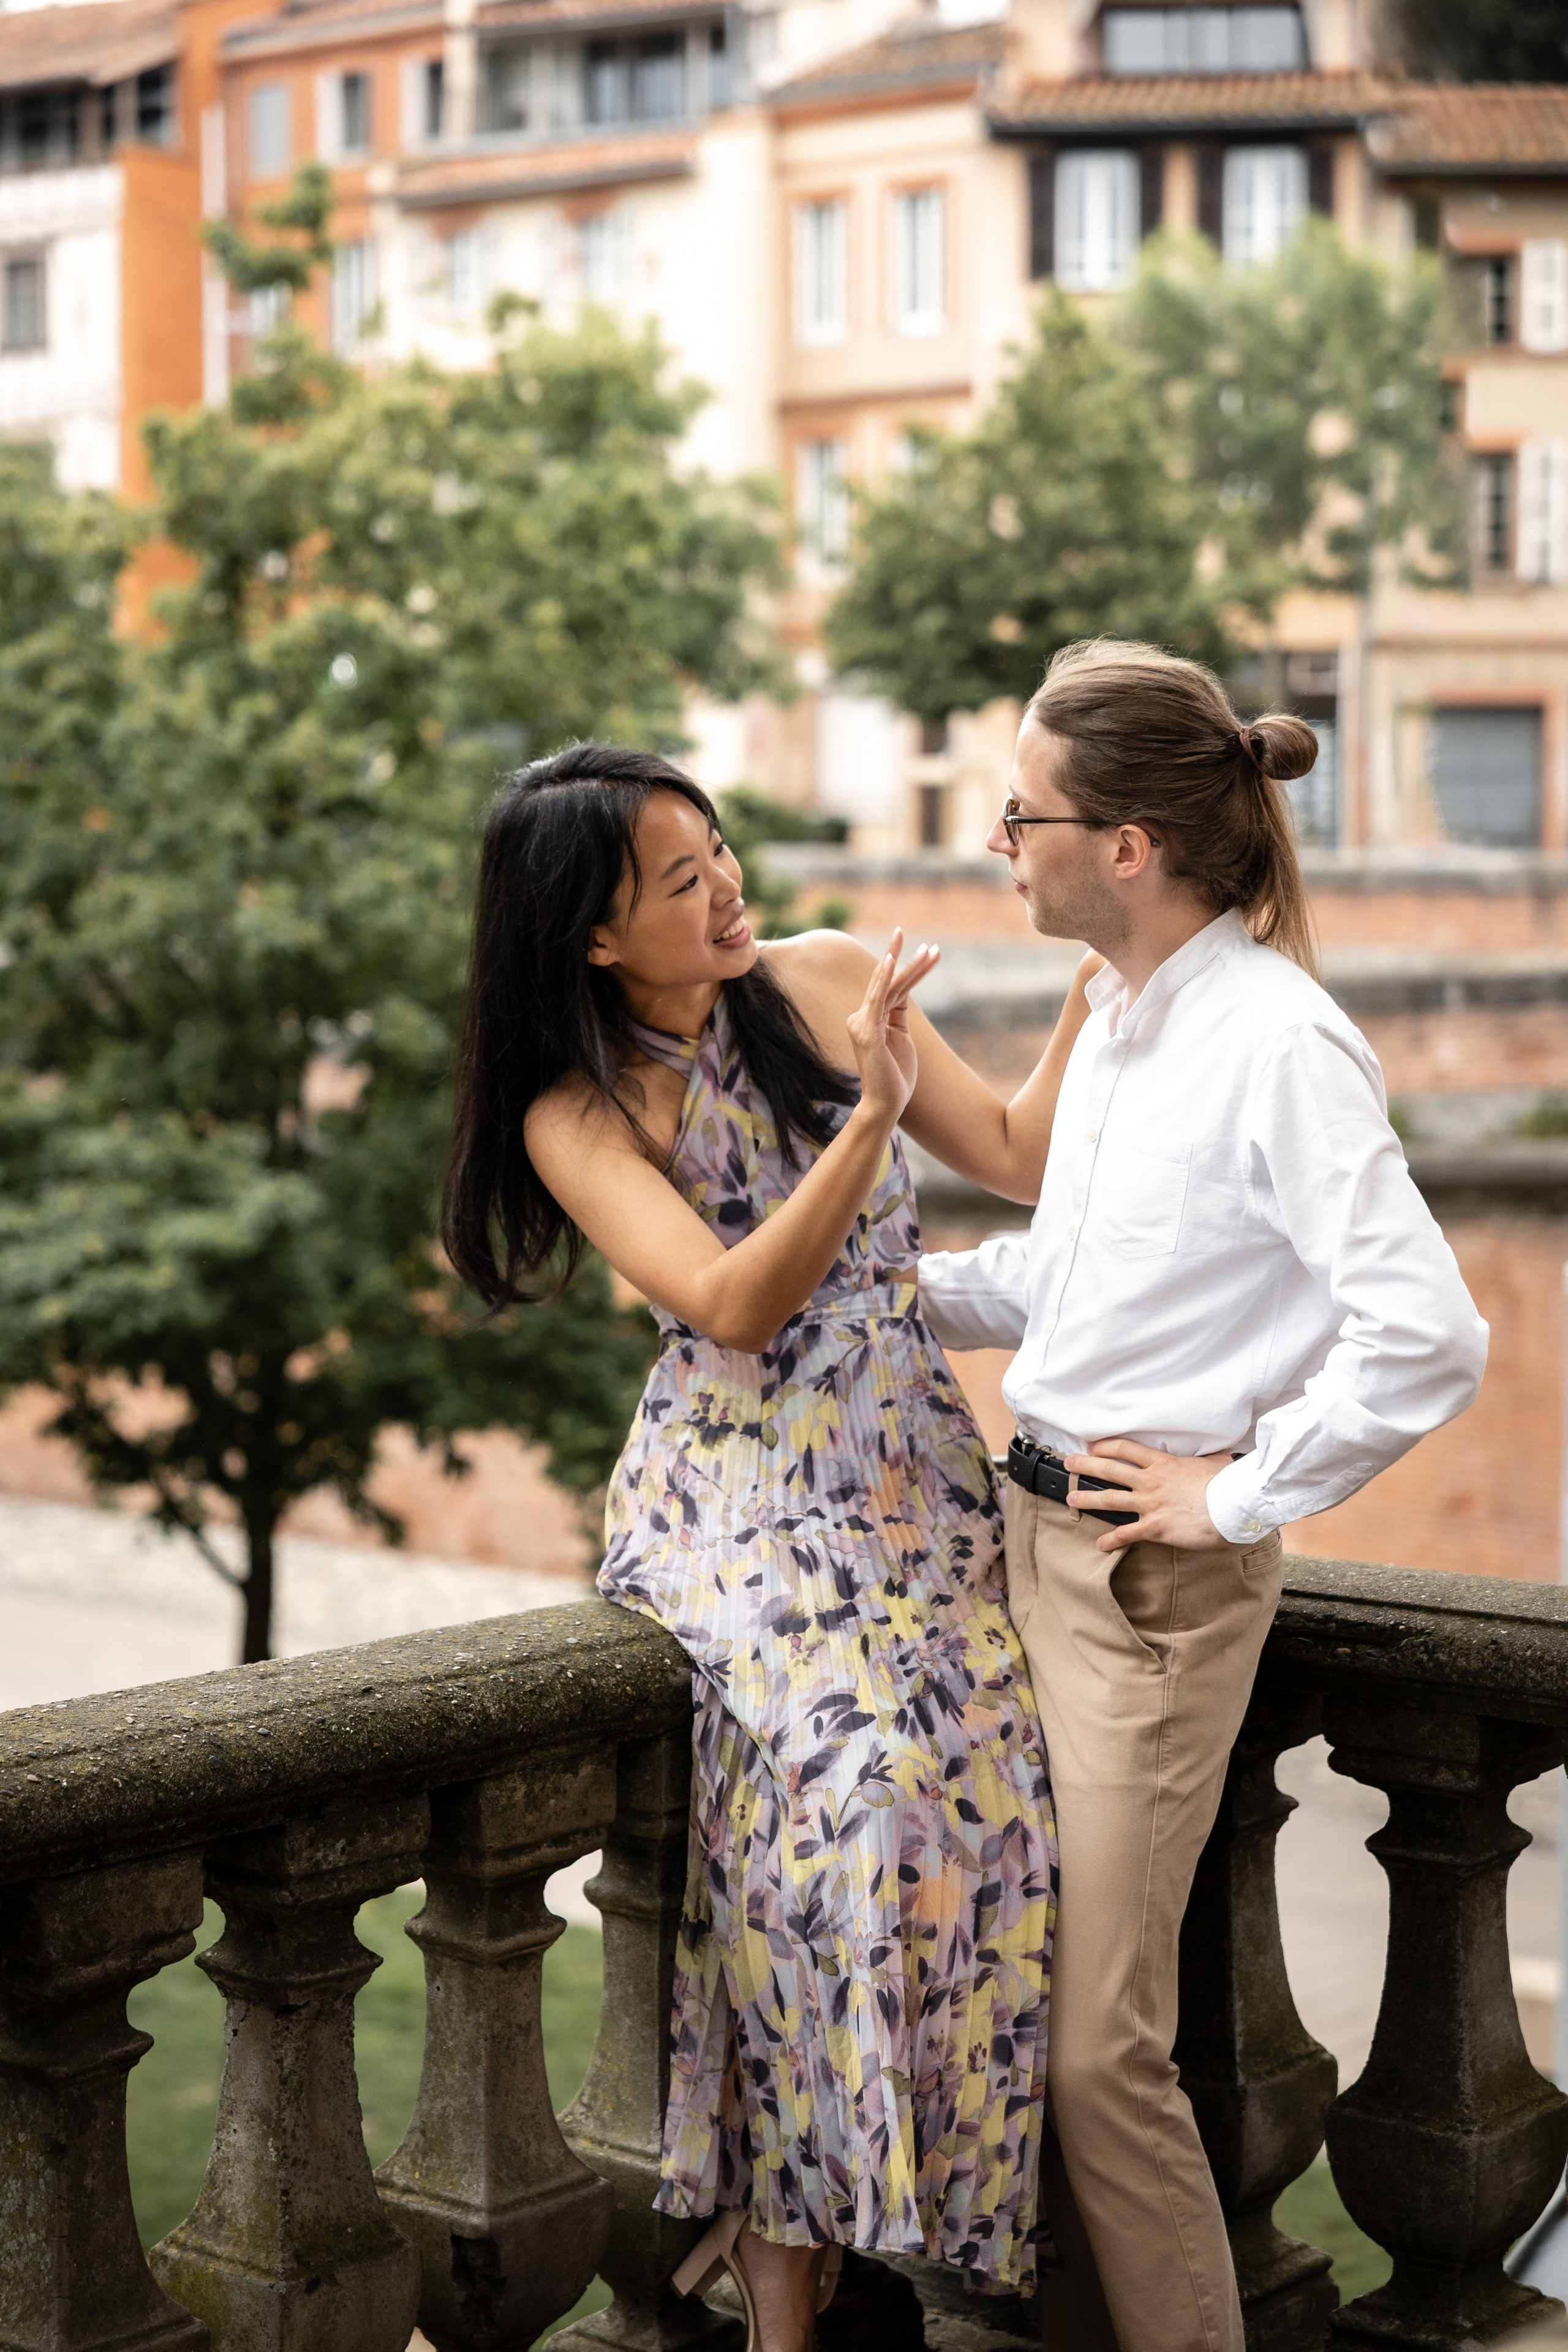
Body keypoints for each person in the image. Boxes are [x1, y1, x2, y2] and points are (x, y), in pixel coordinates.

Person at [442, 742, 1100, 2352]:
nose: (728, 886)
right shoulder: (573, 1114)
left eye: (719, 849)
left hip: (914, 1469)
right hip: (739, 1499)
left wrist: (1114, 975)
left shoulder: (816, 979)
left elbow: (1014, 1152)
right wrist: (870, 1122)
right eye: (681, 881)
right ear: (595, 937)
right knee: (835, 1818)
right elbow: (732, 1308)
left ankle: (840, 2226)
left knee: (1001, 1828)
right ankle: (789, 2297)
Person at [919, 638, 1490, 2352]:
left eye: (1021, 815)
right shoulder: (1118, 1016)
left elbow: (1429, 1332)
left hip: (1141, 1597)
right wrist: (880, 1288)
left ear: (1129, 847)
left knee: (1100, 2050)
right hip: (1021, 1544)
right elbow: (1079, 1285)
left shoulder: (1278, 1045)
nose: (998, 845)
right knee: (1020, 2009)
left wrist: (1240, 1493)